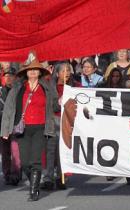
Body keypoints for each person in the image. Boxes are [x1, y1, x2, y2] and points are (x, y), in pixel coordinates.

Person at [0, 52, 59, 201]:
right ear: (26, 71)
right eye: (30, 69)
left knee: (35, 160)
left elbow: (54, 106)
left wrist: (59, 99)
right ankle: (34, 179)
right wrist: (5, 129)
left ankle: (34, 190)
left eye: (35, 69)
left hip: (41, 128)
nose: (32, 71)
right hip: (22, 129)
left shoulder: (47, 86)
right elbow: (9, 108)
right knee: (25, 162)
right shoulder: (19, 87)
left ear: (40, 72)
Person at [41, 62, 80, 191]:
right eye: (63, 71)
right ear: (57, 73)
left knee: (63, 151)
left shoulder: (74, 87)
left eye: (68, 70)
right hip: (53, 121)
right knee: (50, 150)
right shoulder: (50, 87)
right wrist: (59, 101)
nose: (66, 73)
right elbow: (50, 106)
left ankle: (61, 177)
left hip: (67, 122)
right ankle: (48, 178)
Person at [0, 67, 21, 186]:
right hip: (2, 125)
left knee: (15, 151)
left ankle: (16, 174)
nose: (8, 78)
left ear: (16, 77)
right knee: (5, 151)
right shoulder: (0, 92)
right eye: (6, 76)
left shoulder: (19, 91)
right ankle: (7, 174)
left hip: (15, 124)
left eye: (11, 76)